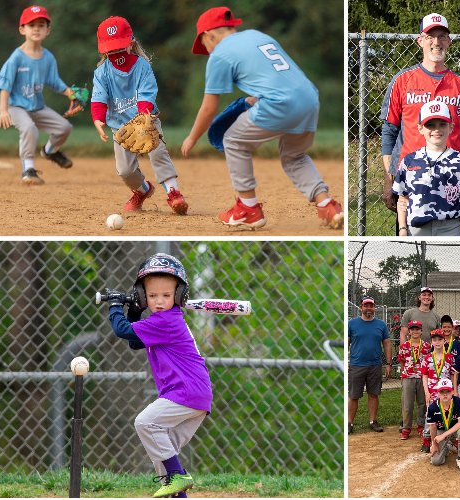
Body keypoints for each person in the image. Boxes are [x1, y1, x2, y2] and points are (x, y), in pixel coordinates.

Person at [181, 6, 342, 229]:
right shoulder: (258, 36)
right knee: (294, 155)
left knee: (234, 141)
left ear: (209, 35)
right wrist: (253, 100)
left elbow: (209, 108)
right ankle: (328, 206)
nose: (207, 51)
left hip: (279, 103)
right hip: (310, 98)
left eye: (204, 45)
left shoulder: (219, 54)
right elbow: (279, 78)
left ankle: (248, 207)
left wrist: (192, 138)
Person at [102, 253, 213, 497]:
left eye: (166, 295)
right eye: (152, 296)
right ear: (143, 297)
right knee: (163, 454)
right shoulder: (163, 321)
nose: (159, 301)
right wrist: (133, 310)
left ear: (179, 296)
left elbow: (121, 330)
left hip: (185, 391)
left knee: (145, 422)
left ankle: (179, 476)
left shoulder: (165, 321)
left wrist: (114, 305)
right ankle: (178, 490)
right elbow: (134, 342)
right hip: (196, 395)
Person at [378, 13, 460, 218]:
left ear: (449, 42)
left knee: (449, 240)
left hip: (452, 176)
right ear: (420, 41)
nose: (436, 42)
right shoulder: (402, 81)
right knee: (410, 239)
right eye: (430, 36)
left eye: (442, 36)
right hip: (411, 175)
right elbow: (389, 130)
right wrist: (390, 177)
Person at [91, 16, 187, 215]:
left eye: (120, 47)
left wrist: (144, 117)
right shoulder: (102, 72)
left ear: (131, 43)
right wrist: (98, 119)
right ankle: (143, 190)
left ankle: (174, 193)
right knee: (125, 171)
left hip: (147, 119)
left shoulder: (142, 66)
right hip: (120, 127)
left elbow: (146, 93)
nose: (116, 52)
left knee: (158, 153)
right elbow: (99, 97)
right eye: (111, 49)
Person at [1, 6, 79, 186]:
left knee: (64, 127)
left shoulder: (48, 58)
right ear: (22, 29)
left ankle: (50, 151)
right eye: (31, 24)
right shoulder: (16, 58)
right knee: (29, 128)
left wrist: (70, 93)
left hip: (37, 106)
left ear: (47, 30)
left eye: (41, 24)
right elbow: (5, 84)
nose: (36, 28)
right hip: (16, 106)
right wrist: (3, 110)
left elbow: (54, 82)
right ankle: (28, 170)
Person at [393, 100, 460, 236]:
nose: (436, 130)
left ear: (451, 127)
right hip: (416, 228)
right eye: (430, 125)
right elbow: (402, 200)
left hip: (450, 228)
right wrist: (402, 228)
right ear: (420, 128)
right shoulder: (410, 160)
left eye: (442, 125)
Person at [348, 297, 389, 434]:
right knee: (353, 395)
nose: (368, 308)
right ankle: (349, 423)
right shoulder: (352, 324)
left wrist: (388, 363)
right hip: (357, 364)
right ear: (361, 307)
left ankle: (373, 421)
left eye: (371, 306)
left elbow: (387, 344)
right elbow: (346, 343)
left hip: (375, 365)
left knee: (373, 394)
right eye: (366, 306)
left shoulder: (381, 325)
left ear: (374, 308)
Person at [419, 326, 456, 453]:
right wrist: (426, 392)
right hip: (432, 393)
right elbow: (424, 376)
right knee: (430, 415)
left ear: (444, 341)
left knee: (447, 414)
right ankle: (427, 438)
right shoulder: (427, 358)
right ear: (431, 342)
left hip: (446, 393)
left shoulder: (449, 357)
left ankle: (449, 439)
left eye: (440, 339)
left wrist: (453, 391)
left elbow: (452, 375)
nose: (437, 342)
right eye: (434, 340)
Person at [395, 319, 429, 441]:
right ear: (409, 331)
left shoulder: (426, 346)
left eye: (417, 329)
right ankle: (406, 428)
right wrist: (406, 372)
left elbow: (428, 362)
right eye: (413, 329)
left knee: (422, 404)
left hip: (421, 377)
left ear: (421, 331)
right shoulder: (404, 346)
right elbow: (402, 360)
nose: (415, 331)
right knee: (407, 404)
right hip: (408, 377)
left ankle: (421, 426)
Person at [427, 379, 460, 472]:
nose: (445, 394)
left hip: (455, 429)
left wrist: (444, 435)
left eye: (448, 391)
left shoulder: (457, 401)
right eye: (442, 392)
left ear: (452, 392)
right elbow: (433, 427)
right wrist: (434, 444)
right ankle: (447, 447)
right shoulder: (432, 407)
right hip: (441, 430)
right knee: (436, 461)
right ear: (438, 393)